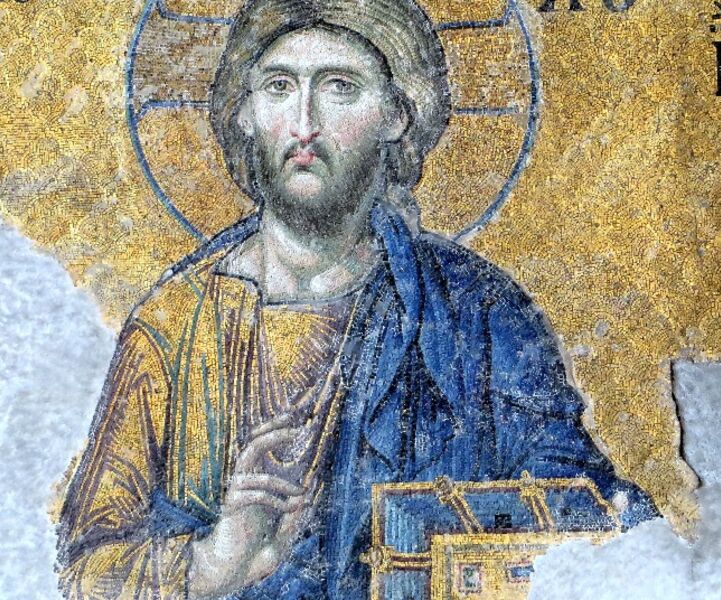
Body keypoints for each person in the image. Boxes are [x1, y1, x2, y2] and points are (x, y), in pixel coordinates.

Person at [57, 1, 657, 597]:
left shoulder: (479, 316)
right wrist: (219, 559)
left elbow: (592, 524)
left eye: (339, 87)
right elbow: (78, 571)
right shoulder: (172, 328)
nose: (304, 125)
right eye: (279, 87)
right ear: (244, 112)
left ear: (398, 113)